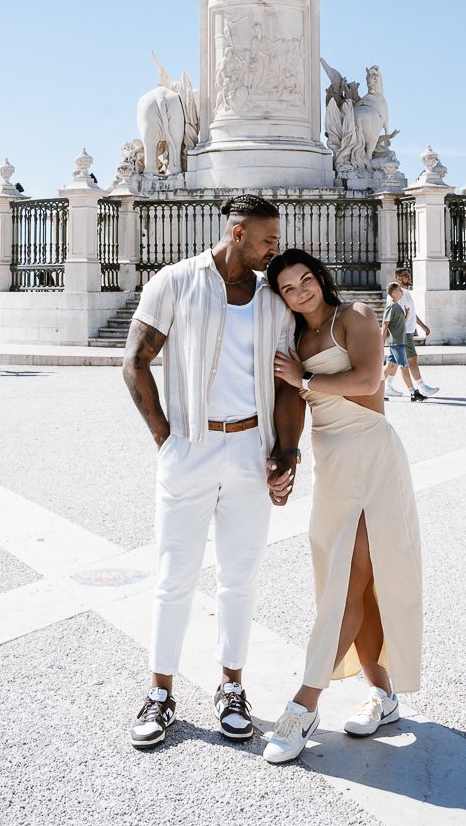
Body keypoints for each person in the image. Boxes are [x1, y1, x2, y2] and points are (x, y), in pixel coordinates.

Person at [122, 195, 299, 751]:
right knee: (174, 576)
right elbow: (134, 360)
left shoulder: (275, 301)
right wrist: (164, 439)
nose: (276, 250)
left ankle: (232, 687)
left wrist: (287, 452)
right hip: (190, 449)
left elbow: (289, 382)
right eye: (269, 241)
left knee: (239, 578)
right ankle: (159, 692)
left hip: (251, 448)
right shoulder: (174, 282)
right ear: (238, 233)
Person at [262, 250, 422, 763]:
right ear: (282, 296)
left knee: (350, 579)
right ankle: (382, 693)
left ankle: (304, 702)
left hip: (372, 453)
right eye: (289, 287)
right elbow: (290, 406)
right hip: (332, 464)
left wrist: (303, 381)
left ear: (319, 278)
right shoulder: (293, 338)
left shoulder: (354, 315)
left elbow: (368, 382)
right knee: (357, 580)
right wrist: (285, 459)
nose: (301, 290)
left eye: (306, 279)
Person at [395, 267, 439, 401]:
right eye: (405, 276)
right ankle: (422, 386)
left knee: (393, 363)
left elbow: (412, 313)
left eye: (409, 275)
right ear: (398, 278)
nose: (409, 277)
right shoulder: (397, 294)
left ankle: (387, 387)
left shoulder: (406, 293)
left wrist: (422, 325)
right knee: (411, 359)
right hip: (403, 332)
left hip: (408, 331)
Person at [381, 282, 408, 399]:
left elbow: (400, 324)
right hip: (396, 341)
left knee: (391, 365)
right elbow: (385, 324)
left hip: (399, 340)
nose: (402, 292)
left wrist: (407, 315)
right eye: (400, 290)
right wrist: (381, 342)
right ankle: (414, 392)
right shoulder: (391, 305)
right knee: (404, 365)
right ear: (393, 293)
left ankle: (378, 389)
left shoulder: (397, 305)